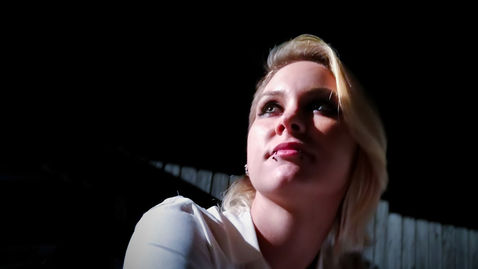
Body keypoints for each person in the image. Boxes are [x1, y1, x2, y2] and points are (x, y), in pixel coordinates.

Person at [123, 34, 388, 269]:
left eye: (320, 106)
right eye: (271, 107)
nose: (289, 118)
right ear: (249, 156)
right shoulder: (183, 231)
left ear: (359, 155)